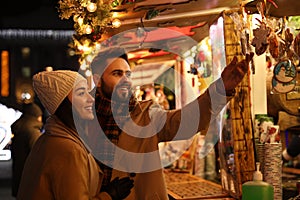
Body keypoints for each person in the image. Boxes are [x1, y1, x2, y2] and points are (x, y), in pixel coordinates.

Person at [89, 47, 254, 199]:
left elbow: (186, 121)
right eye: (117, 74)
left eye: (128, 74)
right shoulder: (84, 118)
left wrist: (221, 89)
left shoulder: (146, 115)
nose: (126, 80)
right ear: (98, 80)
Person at [17, 70, 134, 200]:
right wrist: (109, 195)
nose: (91, 99)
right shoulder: (68, 148)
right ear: (63, 104)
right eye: (81, 93)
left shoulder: (52, 138)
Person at [11, 102, 43, 197]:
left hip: (19, 173)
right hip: (30, 177)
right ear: (35, 116)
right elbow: (38, 154)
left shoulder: (20, 129)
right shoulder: (32, 132)